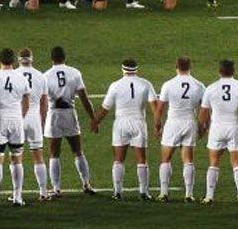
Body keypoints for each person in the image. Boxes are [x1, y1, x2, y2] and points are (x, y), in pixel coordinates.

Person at [92, 59, 158, 199]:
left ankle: (117, 192)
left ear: (123, 70)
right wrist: (158, 124)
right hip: (139, 123)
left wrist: (96, 122)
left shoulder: (115, 85)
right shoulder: (145, 84)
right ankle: (144, 192)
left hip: (121, 124)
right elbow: (155, 106)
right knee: (141, 159)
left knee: (118, 159)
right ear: (136, 69)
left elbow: (105, 108)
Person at [199, 59, 238, 204]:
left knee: (213, 163)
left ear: (219, 71)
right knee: (237, 163)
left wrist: (202, 128)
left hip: (217, 129)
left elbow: (204, 112)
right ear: (234, 71)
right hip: (234, 129)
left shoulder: (211, 88)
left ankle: (209, 196)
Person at [43, 46, 96, 196]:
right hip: (70, 114)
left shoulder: (45, 76)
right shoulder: (75, 73)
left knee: (54, 154)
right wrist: (93, 118)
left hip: (53, 115)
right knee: (78, 151)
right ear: (64, 57)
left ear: (52, 59)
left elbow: (43, 101)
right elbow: (84, 99)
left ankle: (56, 189)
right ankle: (86, 184)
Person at [154, 56, 205, 201]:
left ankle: (163, 193)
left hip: (173, 123)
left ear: (176, 67)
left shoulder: (168, 85)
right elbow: (204, 109)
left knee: (165, 159)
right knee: (188, 159)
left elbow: (160, 108)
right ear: (190, 67)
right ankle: (189, 194)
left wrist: (158, 125)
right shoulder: (199, 85)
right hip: (190, 122)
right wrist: (202, 127)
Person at [0, 48, 31, 206]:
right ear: (13, 60)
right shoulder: (21, 77)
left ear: (0, 60)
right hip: (16, 119)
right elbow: (26, 100)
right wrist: (21, 116)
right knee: (17, 158)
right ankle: (17, 196)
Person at [18, 49, 51, 199]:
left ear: (19, 60)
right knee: (38, 156)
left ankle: (16, 194)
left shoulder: (14, 75)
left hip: (18, 117)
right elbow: (45, 103)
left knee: (16, 157)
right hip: (34, 118)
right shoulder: (41, 76)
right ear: (32, 59)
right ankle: (43, 192)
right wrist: (43, 122)